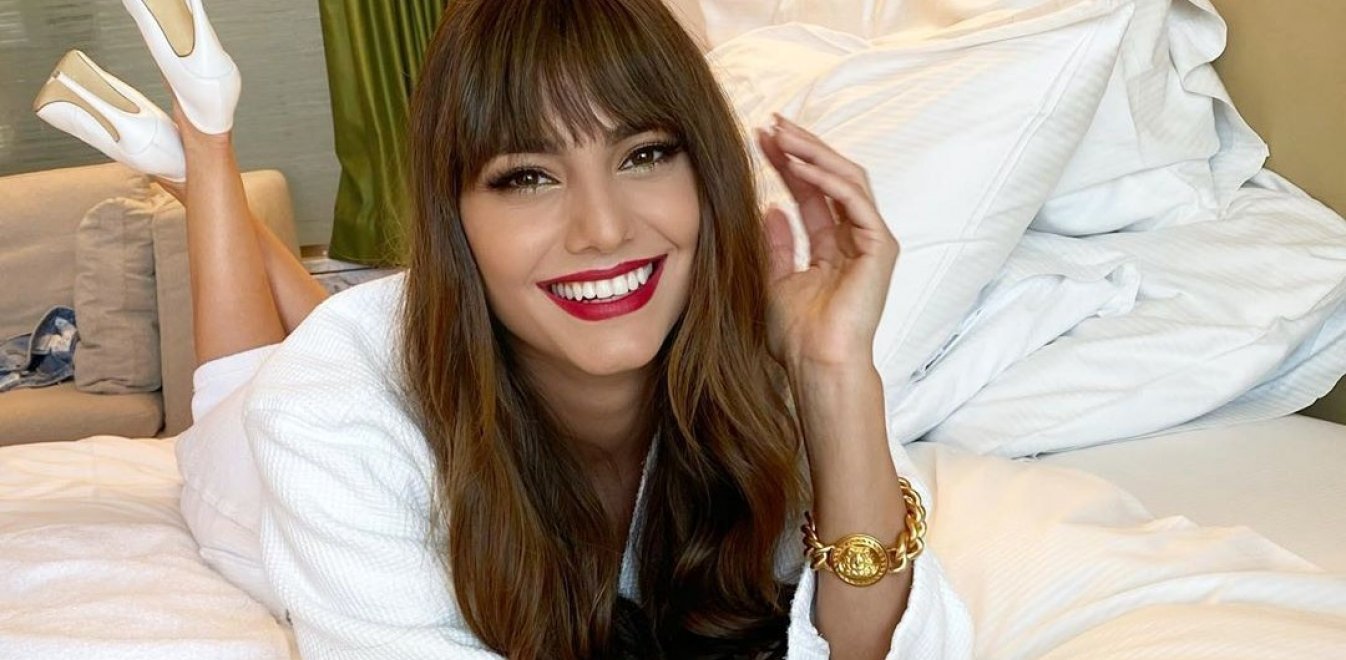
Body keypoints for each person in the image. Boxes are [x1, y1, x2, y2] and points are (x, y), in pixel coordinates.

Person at [37, 0, 973, 657]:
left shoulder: (751, 351)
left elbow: (884, 645)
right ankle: (203, 155)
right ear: (454, 217)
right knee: (241, 383)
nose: (603, 228)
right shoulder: (320, 411)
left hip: (437, 340)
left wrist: (836, 372)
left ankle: (188, 157)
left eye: (645, 155)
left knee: (358, 337)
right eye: (526, 176)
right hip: (254, 461)